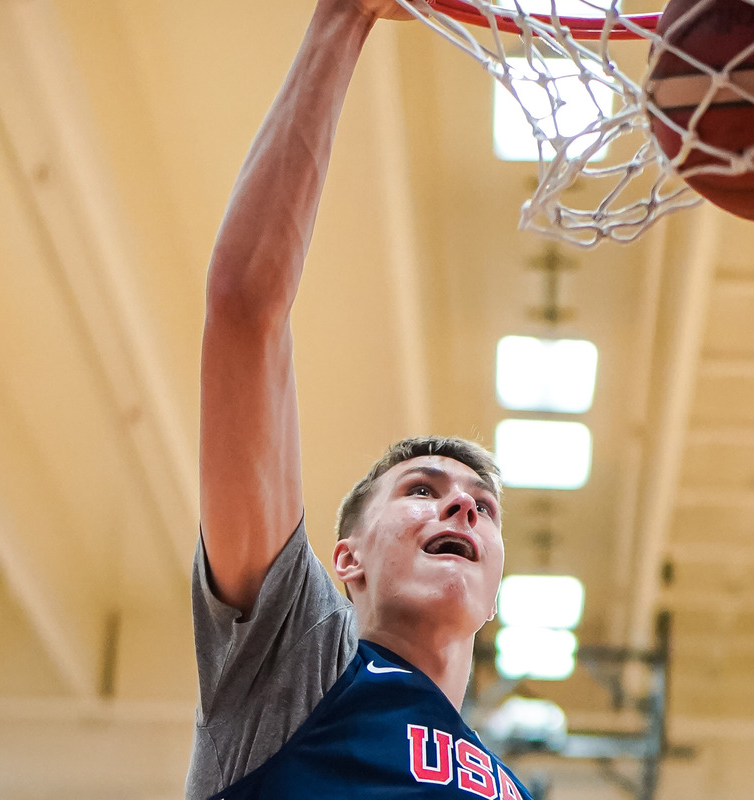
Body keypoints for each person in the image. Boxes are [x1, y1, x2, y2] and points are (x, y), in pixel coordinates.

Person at [188, 0, 533, 797]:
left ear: (494, 592)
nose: (463, 507)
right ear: (347, 560)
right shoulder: (298, 662)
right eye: (422, 491)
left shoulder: (510, 788)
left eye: (482, 506)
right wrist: (342, 21)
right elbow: (244, 310)